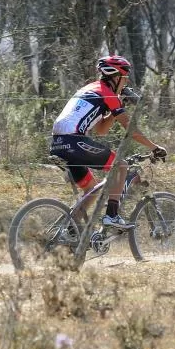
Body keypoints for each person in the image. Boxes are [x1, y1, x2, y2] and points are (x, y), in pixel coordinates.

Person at [50, 55, 167, 230]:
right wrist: (154, 147)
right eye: (125, 78)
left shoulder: (91, 89)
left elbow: (101, 130)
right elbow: (131, 129)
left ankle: (68, 232)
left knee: (91, 189)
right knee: (121, 166)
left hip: (58, 143)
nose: (125, 82)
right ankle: (112, 215)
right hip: (73, 140)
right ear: (116, 77)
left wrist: (116, 108)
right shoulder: (107, 93)